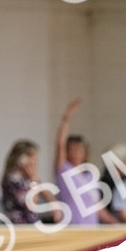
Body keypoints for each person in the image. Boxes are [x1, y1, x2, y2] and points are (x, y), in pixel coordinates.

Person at [54, 97, 103, 226]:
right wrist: (66, 117)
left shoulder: (90, 175)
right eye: (72, 150)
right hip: (72, 227)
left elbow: (98, 207)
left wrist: (116, 224)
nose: (76, 153)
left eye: (79, 150)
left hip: (92, 227)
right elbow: (60, 144)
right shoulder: (64, 169)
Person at [0, 139, 48, 224]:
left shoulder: (26, 177)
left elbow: (42, 190)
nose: (35, 162)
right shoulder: (13, 179)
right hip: (20, 226)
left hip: (32, 225)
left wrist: (54, 204)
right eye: (32, 158)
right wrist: (33, 179)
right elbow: (31, 203)